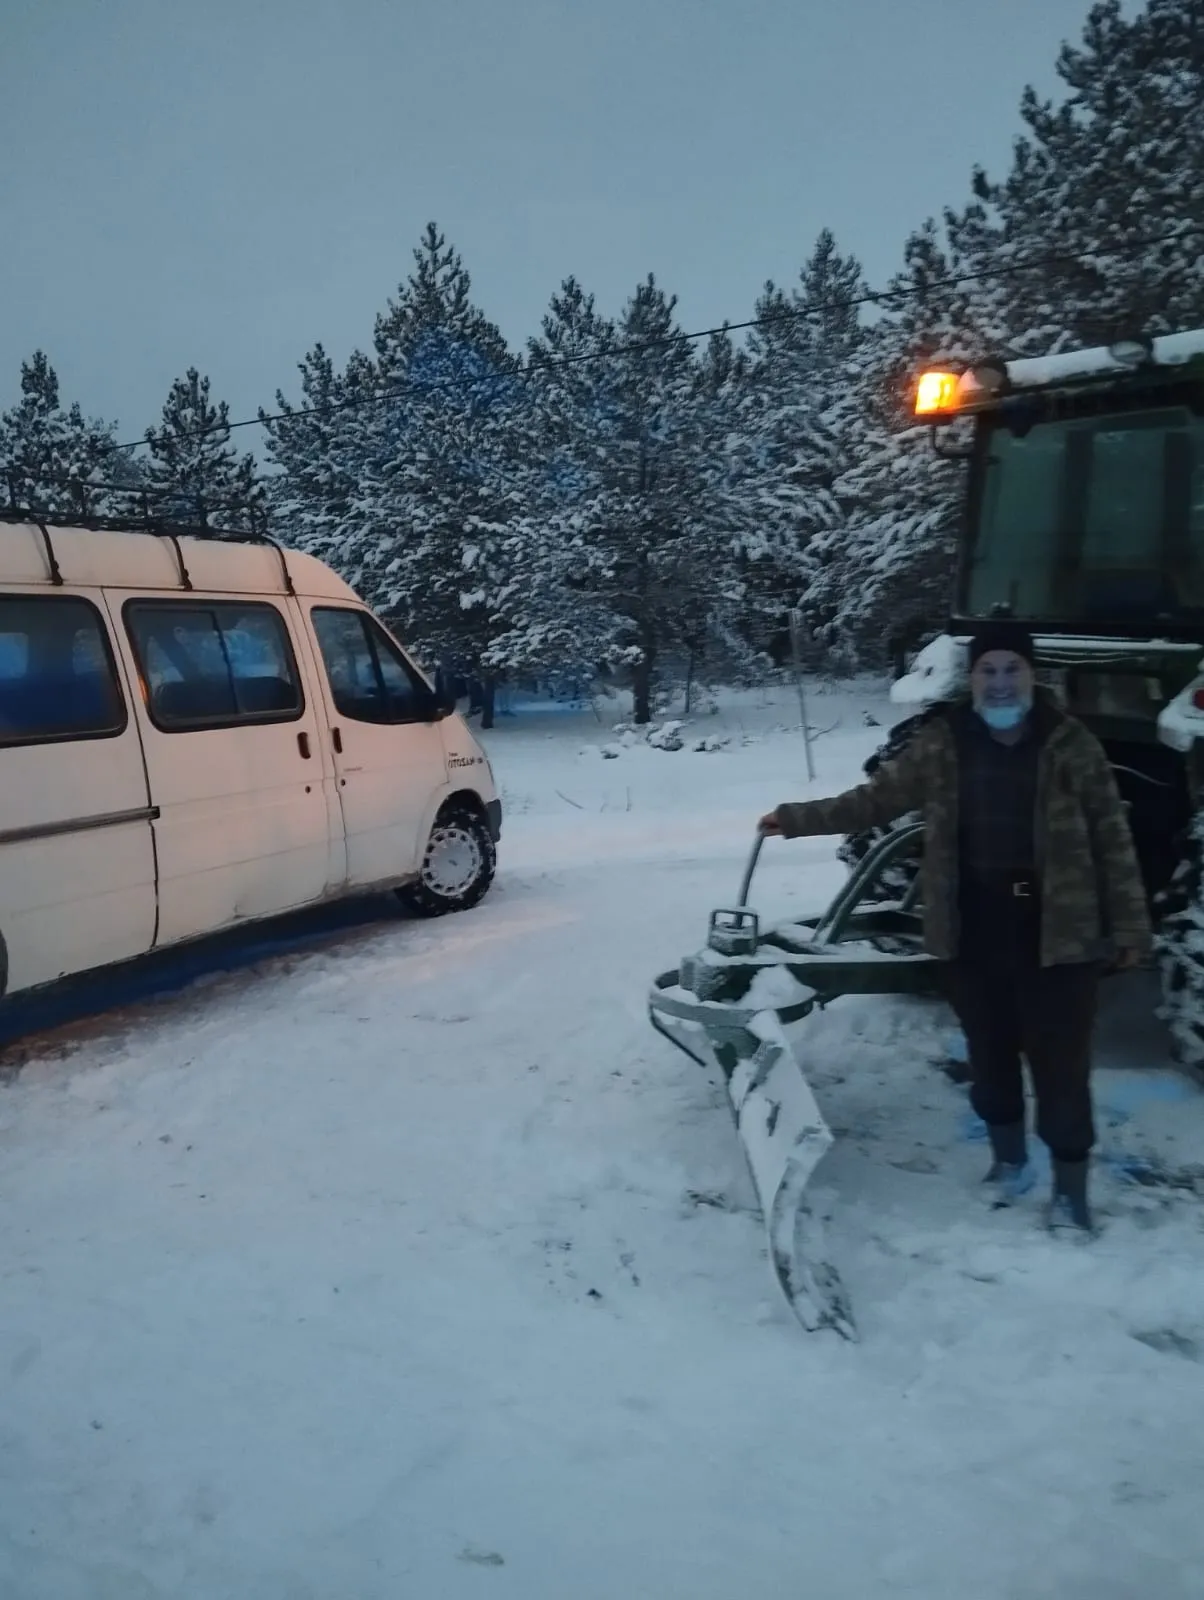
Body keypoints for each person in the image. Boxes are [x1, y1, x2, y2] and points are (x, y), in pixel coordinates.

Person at [758, 620, 1152, 1232]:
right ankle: (1009, 1162)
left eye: (1011, 670)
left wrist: (1130, 928)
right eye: (987, 671)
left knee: (1060, 1066)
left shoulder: (1071, 746)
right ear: (971, 679)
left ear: (1031, 675)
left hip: (1060, 935)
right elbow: (875, 801)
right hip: (972, 929)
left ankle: (1071, 1191)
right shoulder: (944, 742)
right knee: (991, 1055)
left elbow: (1113, 839)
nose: (999, 683)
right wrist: (795, 818)